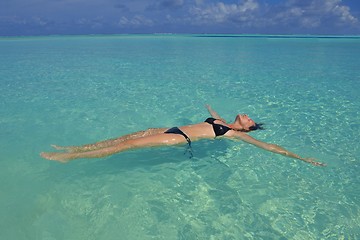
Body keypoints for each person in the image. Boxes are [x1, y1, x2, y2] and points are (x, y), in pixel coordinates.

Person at [40, 105, 326, 166]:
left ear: (246, 129)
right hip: (167, 128)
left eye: (250, 121)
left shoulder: (231, 134)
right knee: (120, 137)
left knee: (125, 146)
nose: (248, 116)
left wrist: (301, 157)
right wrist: (210, 108)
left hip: (178, 139)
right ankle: (73, 147)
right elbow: (212, 112)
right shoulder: (222, 120)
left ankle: (69, 158)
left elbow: (269, 146)